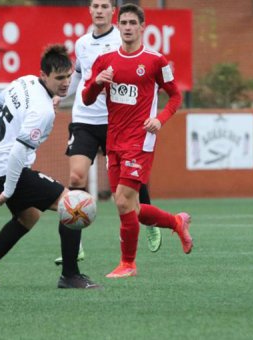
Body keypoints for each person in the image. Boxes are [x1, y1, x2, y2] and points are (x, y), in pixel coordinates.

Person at [0, 44, 100, 289]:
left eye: (69, 76)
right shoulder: (42, 111)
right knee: (71, 204)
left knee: (28, 216)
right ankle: (70, 275)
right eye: (59, 78)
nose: (65, 82)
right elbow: (18, 151)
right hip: (6, 169)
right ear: (44, 76)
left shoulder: (23, 82)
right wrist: (8, 191)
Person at [82, 3, 193, 278]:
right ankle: (176, 222)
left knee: (121, 202)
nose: (129, 27)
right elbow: (85, 98)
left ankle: (128, 264)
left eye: (134, 23)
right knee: (130, 206)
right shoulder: (105, 61)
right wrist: (97, 82)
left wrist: (160, 119)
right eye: (125, 23)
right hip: (113, 140)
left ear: (143, 27)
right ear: (117, 26)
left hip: (141, 140)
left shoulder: (156, 61)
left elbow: (175, 96)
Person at [54, 0, 162, 266]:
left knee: (131, 185)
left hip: (119, 121)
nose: (99, 10)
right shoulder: (81, 44)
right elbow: (79, 75)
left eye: (104, 5)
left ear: (113, 11)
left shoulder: (123, 38)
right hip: (85, 119)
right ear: (89, 10)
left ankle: (148, 220)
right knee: (76, 176)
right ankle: (75, 244)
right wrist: (62, 95)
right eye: (95, 5)